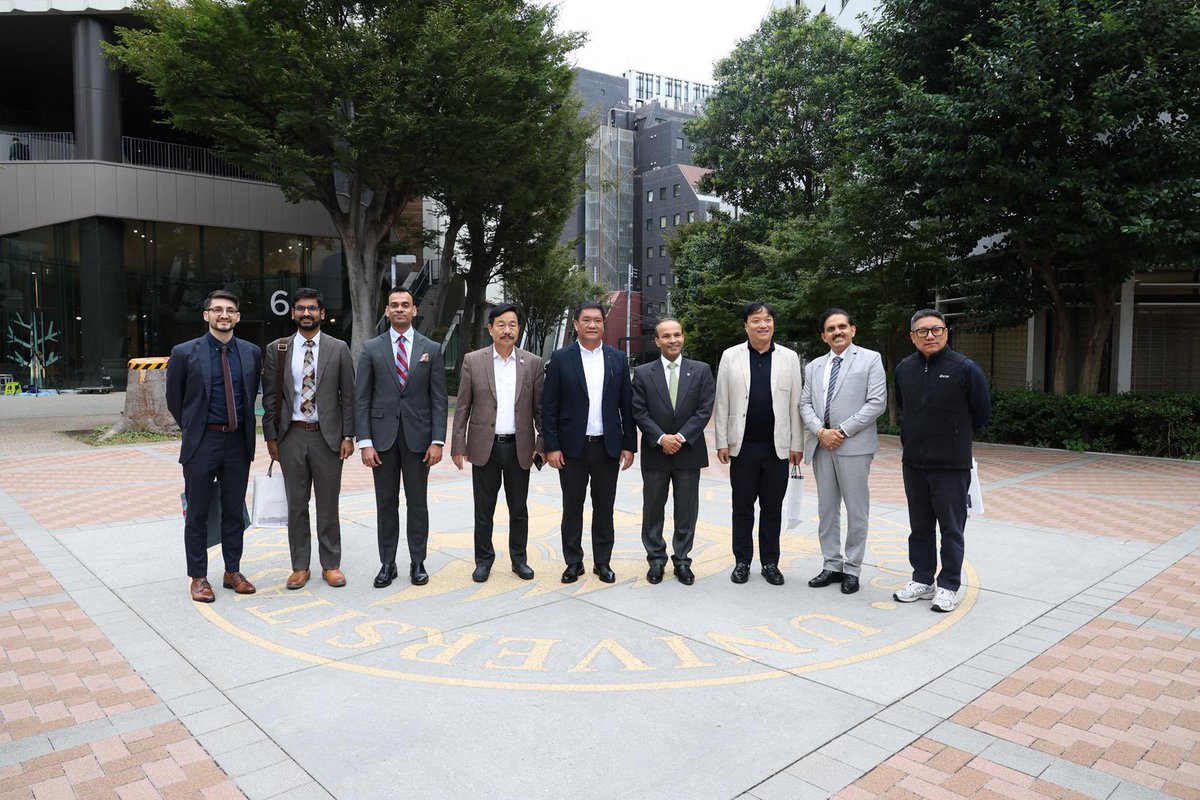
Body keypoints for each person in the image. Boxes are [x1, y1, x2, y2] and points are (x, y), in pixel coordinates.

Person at [166, 289, 262, 603]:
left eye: (230, 310)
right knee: (198, 512)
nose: (224, 315)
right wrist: (195, 429)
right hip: (202, 441)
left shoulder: (250, 352)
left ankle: (232, 571)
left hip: (238, 442)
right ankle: (198, 577)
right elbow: (175, 400)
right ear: (206, 314)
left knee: (234, 510)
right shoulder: (184, 352)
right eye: (217, 309)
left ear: (237, 316)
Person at [893, 309, 991, 612]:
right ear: (912, 336)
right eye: (922, 331)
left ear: (947, 333)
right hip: (914, 463)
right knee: (919, 526)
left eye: (936, 329)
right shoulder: (903, 369)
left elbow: (982, 413)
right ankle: (922, 579)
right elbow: (902, 407)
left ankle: (949, 584)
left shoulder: (965, 368)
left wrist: (953, 438)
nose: (930, 335)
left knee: (951, 528)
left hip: (951, 465)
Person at [261, 288, 355, 591]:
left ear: (322, 314)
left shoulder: (338, 348)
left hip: (327, 438)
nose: (306, 313)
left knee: (328, 505)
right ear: (293, 313)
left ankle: (331, 565)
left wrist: (348, 435)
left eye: (312, 309)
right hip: (291, 436)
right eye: (300, 308)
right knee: (296, 506)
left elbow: (348, 397)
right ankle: (299, 566)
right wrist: (271, 437)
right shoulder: (278, 348)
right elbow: (271, 398)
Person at [355, 287, 448, 588]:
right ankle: (387, 563)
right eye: (394, 305)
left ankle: (418, 562)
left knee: (417, 503)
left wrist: (438, 440)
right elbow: (362, 399)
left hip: (419, 440)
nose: (399, 309)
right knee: (385, 503)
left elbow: (439, 400)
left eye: (405, 305)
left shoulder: (430, 349)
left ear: (414, 310)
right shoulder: (371, 348)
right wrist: (365, 442)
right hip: (381, 441)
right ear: (386, 310)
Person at [542, 301, 636, 584]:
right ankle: (573, 562)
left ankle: (602, 561)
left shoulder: (617, 359)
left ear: (603, 324)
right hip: (571, 448)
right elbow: (549, 407)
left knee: (604, 506)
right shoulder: (560, 359)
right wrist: (552, 446)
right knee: (572, 505)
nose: (592, 325)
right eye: (586, 320)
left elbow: (626, 406)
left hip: (607, 446)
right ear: (576, 324)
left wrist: (629, 445)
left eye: (597, 320)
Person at [451, 304, 544, 583]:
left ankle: (519, 560)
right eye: (501, 325)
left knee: (519, 509)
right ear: (490, 329)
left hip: (520, 447)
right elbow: (463, 406)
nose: (507, 330)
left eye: (512, 324)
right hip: (484, 448)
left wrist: (542, 445)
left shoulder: (533, 363)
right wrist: (458, 444)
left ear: (518, 329)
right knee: (484, 510)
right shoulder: (473, 360)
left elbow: (541, 410)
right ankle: (483, 560)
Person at [713, 301, 804, 586]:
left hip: (777, 447)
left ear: (773, 324)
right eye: (756, 320)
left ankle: (770, 562)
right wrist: (722, 441)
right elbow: (722, 400)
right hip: (743, 446)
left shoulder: (789, 357)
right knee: (742, 507)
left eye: (767, 319)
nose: (762, 325)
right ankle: (742, 561)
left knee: (772, 507)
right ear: (746, 325)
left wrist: (797, 443)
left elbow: (796, 403)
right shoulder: (731, 356)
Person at [799, 308, 887, 595]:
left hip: (854, 446)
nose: (837, 332)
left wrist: (842, 431)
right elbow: (805, 404)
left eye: (842, 327)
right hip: (822, 445)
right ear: (824, 336)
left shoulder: (870, 359)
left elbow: (876, 403)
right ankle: (831, 563)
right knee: (827, 510)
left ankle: (853, 568)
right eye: (830, 329)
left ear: (853, 329)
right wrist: (821, 432)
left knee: (856, 509)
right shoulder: (813, 367)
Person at [631, 318, 715, 585]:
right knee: (653, 509)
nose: (672, 340)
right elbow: (639, 411)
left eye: (677, 334)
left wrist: (679, 437)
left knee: (686, 510)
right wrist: (660, 438)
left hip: (688, 451)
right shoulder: (644, 373)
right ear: (657, 341)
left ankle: (682, 560)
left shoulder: (700, 370)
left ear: (683, 338)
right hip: (656, 452)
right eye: (666, 336)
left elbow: (704, 409)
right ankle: (656, 559)